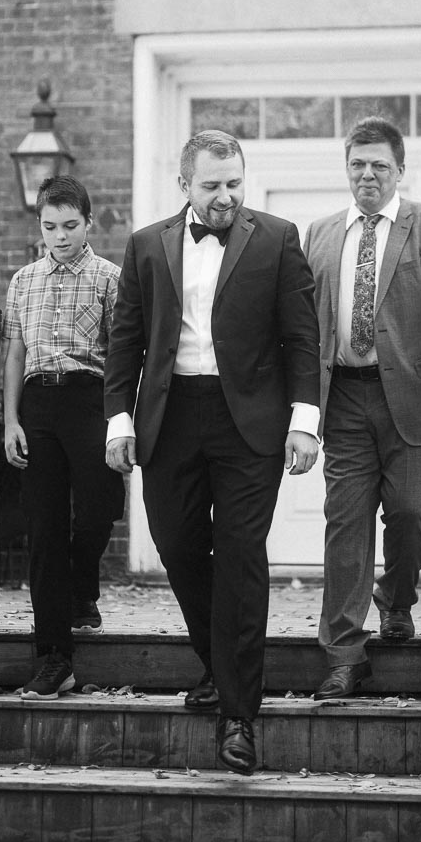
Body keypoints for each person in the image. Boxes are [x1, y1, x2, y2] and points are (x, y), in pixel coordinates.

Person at [104, 129, 320, 775]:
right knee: (174, 542)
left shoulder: (278, 239)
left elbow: (301, 341)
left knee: (240, 558)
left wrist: (304, 422)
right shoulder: (147, 246)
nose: (225, 196)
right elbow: (126, 341)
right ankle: (221, 661)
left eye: (233, 183)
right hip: (169, 419)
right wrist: (118, 421)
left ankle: (239, 717)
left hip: (249, 422)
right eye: (212, 185)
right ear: (185, 186)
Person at [303, 117, 421, 700]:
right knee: (346, 525)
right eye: (358, 164)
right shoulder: (321, 232)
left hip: (411, 395)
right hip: (344, 400)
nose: (368, 174)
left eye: (379, 165)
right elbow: (301, 317)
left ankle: (397, 597)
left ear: (399, 170)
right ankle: (343, 655)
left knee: (411, 514)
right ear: (347, 168)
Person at [2, 174, 124, 699]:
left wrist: (123, 421)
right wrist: (10, 420)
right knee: (44, 526)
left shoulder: (110, 278)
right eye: (50, 226)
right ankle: (54, 656)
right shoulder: (22, 281)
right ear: (40, 225)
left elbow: (122, 357)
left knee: (100, 507)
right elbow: (14, 353)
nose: (60, 236)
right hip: (38, 405)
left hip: (89, 397)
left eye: (70, 225)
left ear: (88, 222)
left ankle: (82, 585)